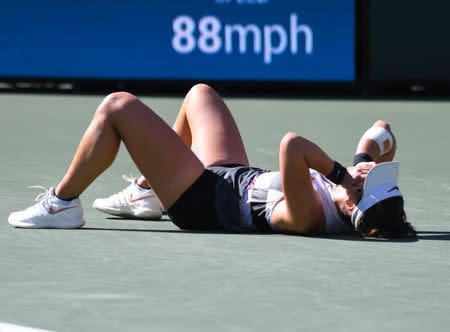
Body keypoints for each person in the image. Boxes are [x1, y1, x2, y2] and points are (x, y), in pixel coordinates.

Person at [8, 84, 416, 238]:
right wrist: (372, 154)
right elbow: (380, 130)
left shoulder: (310, 216)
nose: (365, 176)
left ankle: (62, 203)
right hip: (231, 175)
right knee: (200, 94)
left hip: (200, 200)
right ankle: (149, 192)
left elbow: (292, 145)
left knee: (118, 107)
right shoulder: (354, 192)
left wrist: (344, 173)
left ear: (351, 206)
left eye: (367, 184)